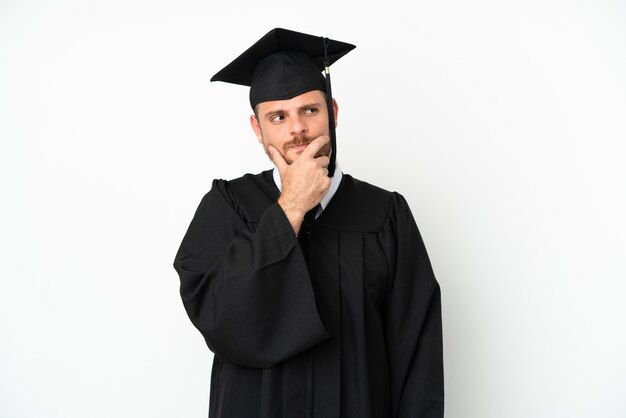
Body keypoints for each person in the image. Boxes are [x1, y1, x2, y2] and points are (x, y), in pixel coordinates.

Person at [173, 28, 444, 418]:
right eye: (278, 116)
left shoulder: (385, 215)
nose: (296, 128)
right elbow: (218, 318)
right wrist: (291, 208)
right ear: (257, 129)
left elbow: (418, 354)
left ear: (332, 113)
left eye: (309, 111)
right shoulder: (227, 207)